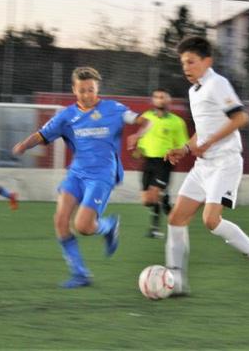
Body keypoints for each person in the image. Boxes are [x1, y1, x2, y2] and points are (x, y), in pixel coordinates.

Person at [12, 66, 149, 288]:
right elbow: (42, 134)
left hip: (102, 174)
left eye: (91, 90)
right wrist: (23, 145)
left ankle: (108, 226)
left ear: (98, 89)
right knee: (60, 220)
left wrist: (138, 135)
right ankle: (80, 274)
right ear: (74, 90)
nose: (87, 95)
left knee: (84, 226)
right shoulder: (66, 116)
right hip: (76, 174)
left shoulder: (114, 108)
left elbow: (144, 121)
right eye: (82, 90)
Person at [164, 36, 249, 294]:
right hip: (203, 166)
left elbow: (241, 118)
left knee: (211, 220)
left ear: (207, 61)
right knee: (177, 218)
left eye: (191, 62)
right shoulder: (194, 91)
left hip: (225, 162)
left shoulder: (217, 83)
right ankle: (176, 281)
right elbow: (203, 131)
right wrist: (185, 149)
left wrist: (209, 142)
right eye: (183, 63)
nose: (186, 67)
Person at [136, 88, 189, 238]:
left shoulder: (177, 122)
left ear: (168, 100)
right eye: (157, 97)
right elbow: (142, 136)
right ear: (153, 100)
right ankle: (165, 199)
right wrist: (139, 148)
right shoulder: (146, 117)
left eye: (163, 97)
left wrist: (176, 154)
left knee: (154, 195)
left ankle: (155, 229)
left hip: (164, 162)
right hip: (148, 161)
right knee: (146, 201)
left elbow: (183, 144)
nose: (159, 99)